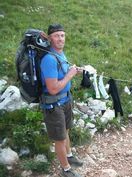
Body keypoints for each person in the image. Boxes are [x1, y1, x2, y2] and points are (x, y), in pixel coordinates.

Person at [40, 24, 83, 177]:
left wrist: (73, 71)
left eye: (62, 35)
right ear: (50, 38)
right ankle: (65, 169)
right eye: (56, 36)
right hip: (53, 104)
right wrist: (70, 75)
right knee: (59, 139)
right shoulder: (49, 59)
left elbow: (62, 75)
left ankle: (69, 156)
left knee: (66, 131)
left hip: (65, 100)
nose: (60, 39)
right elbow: (52, 88)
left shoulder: (60, 54)